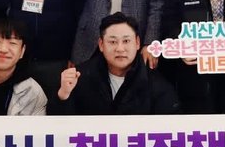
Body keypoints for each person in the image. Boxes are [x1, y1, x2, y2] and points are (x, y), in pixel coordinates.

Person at [51, 13, 179, 115]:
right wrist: (63, 95)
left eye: (126, 41)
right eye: (112, 42)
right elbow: (56, 125)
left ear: (137, 43)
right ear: (101, 44)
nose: (120, 49)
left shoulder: (156, 83)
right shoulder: (79, 77)